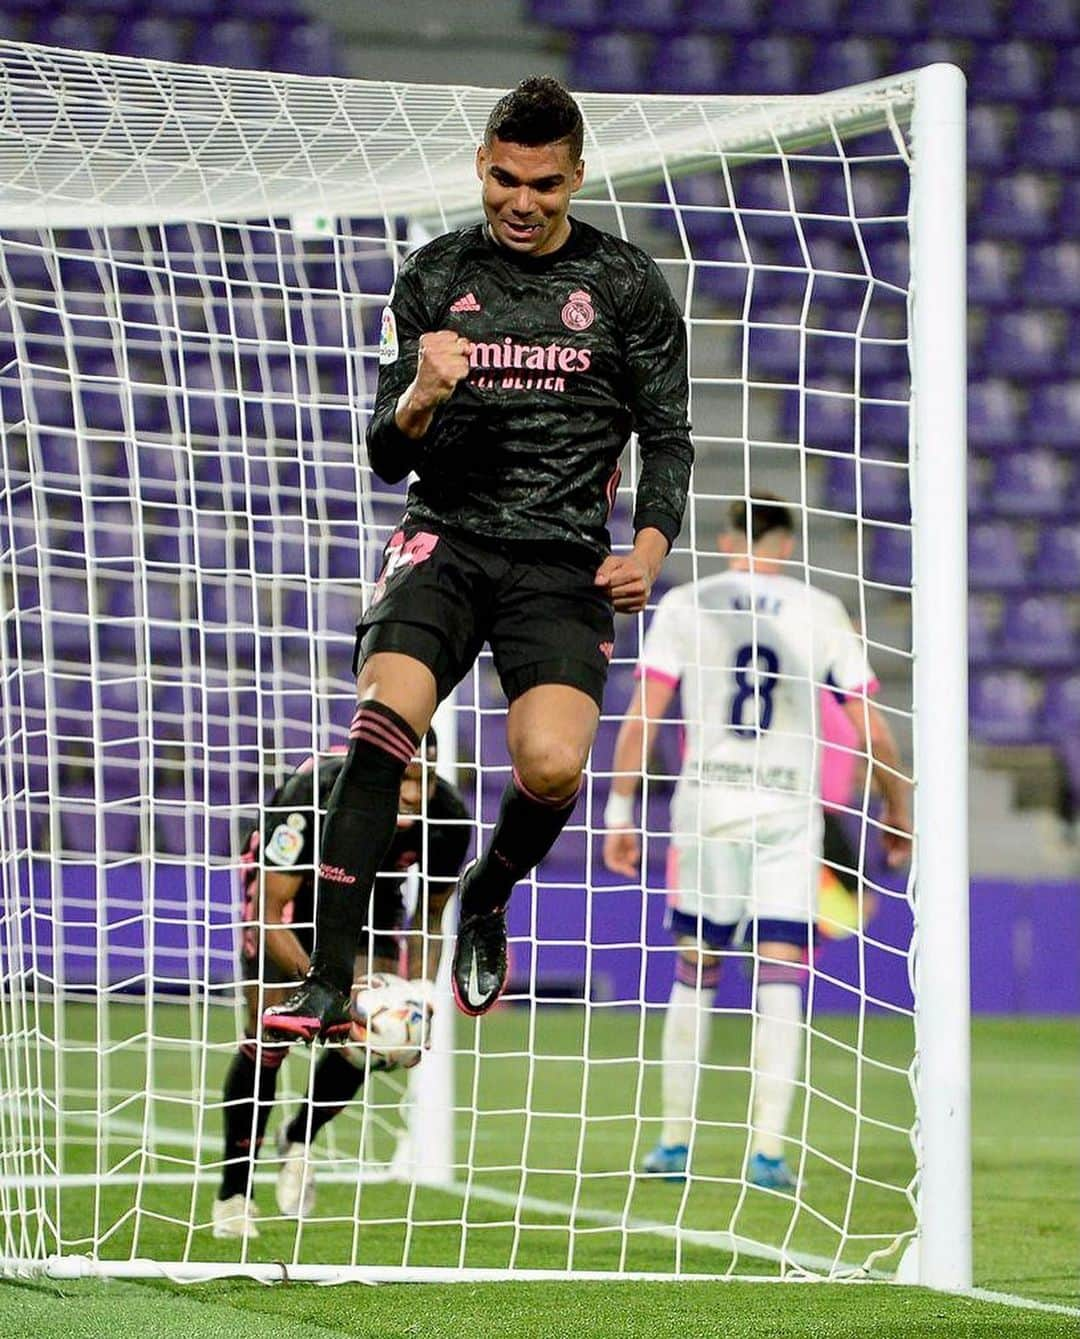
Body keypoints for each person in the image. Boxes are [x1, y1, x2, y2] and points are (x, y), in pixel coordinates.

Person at [263, 75, 692, 1041]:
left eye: (544, 184)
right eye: (505, 180)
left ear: (577, 176)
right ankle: (329, 976)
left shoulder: (625, 285)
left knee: (549, 768)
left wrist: (651, 548)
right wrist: (419, 391)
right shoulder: (430, 276)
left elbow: (669, 436)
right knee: (384, 718)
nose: (523, 203)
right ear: (481, 167)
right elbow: (384, 452)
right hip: (446, 535)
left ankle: (487, 892)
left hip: (562, 557)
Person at [602, 495, 911, 1190]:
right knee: (779, 974)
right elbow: (875, 731)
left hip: (708, 803)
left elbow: (641, 716)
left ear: (727, 536)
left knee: (695, 969)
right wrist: (898, 806)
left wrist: (619, 811)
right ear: (787, 544)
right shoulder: (819, 609)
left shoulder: (687, 604)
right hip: (786, 811)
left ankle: (674, 1143)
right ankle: (766, 1154)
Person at [214, 732, 470, 1240]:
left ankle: (300, 1139)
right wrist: (324, 985)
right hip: (288, 898)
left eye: (427, 779)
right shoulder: (312, 795)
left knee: (378, 1031)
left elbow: (430, 916)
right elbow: (268, 914)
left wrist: (418, 991)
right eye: (405, 777)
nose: (416, 794)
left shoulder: (448, 821)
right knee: (269, 1037)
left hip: (370, 894)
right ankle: (235, 1194)